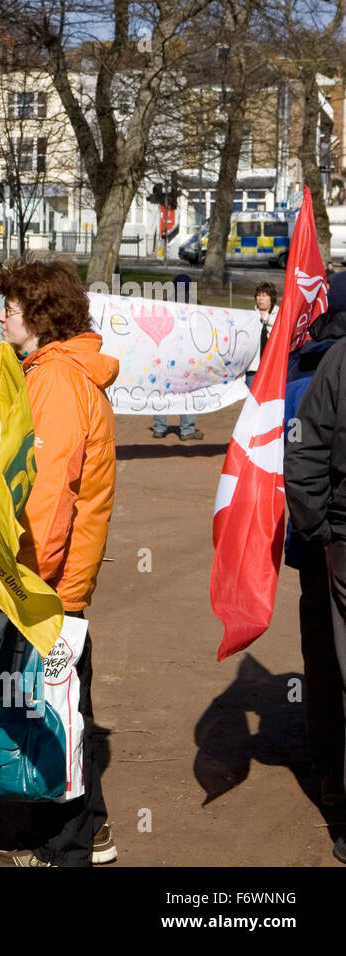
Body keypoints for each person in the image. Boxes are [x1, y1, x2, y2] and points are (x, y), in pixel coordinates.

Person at [0, 255, 119, 867]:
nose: (3, 313)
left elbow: (49, 495)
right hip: (57, 578)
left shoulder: (56, 379)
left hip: (48, 582)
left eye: (11, 306)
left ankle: (64, 848)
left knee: (56, 714)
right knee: (63, 706)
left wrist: (22, 573)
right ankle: (87, 831)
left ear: (40, 314)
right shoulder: (50, 370)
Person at [286, 270, 346, 864]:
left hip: (319, 542)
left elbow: (294, 452)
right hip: (328, 533)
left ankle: (329, 767)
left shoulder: (303, 367)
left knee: (323, 655)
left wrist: (316, 531)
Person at [245, 281, 278, 388]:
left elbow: (282, 328)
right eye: (258, 295)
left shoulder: (279, 315)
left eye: (264, 296)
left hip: (272, 367)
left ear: (271, 298)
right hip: (253, 368)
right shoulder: (250, 317)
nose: (260, 299)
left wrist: (267, 318)